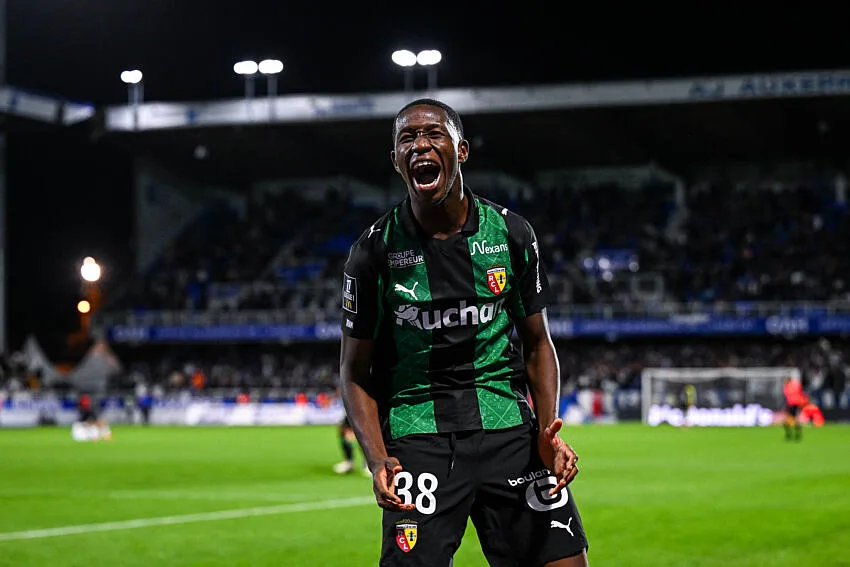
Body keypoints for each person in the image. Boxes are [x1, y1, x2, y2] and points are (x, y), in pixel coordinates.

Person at [340, 98, 588, 566]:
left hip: (508, 429)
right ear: (396, 160)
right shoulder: (373, 252)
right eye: (407, 138)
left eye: (433, 134)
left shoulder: (512, 234)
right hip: (418, 437)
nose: (420, 145)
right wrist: (376, 458)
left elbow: (538, 343)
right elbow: (353, 372)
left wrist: (547, 430)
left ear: (462, 150)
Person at [783, 376, 805, 441]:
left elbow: (788, 395)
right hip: (795, 404)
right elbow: (800, 392)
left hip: (792, 404)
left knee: (788, 421)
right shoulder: (796, 384)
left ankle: (790, 435)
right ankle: (796, 434)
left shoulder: (788, 386)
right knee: (792, 420)